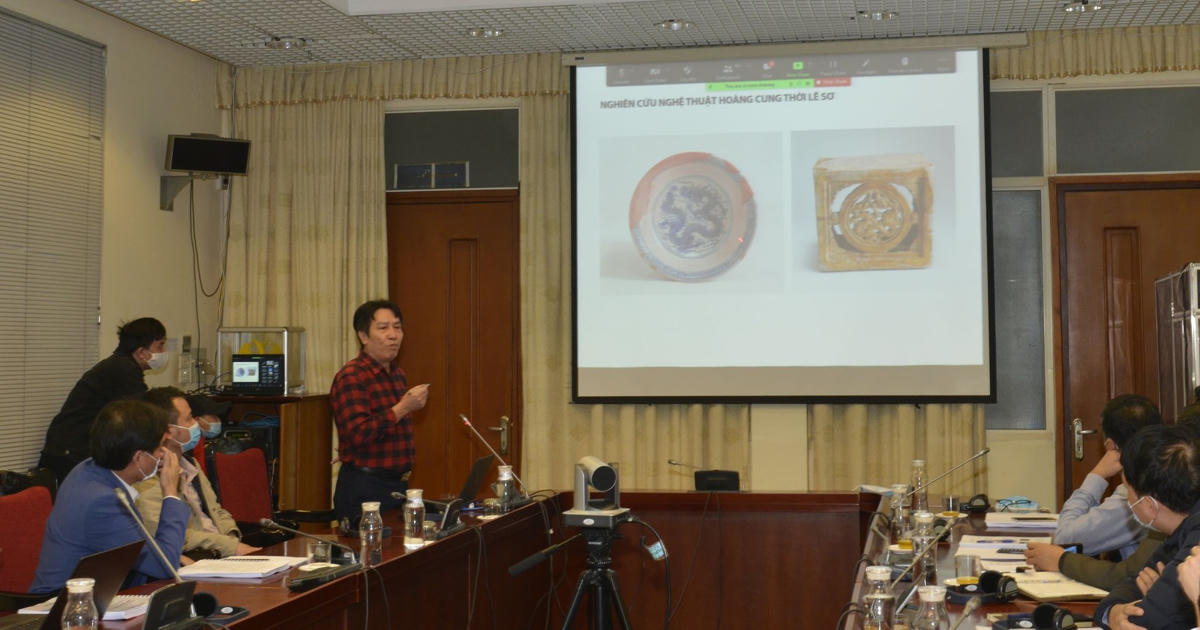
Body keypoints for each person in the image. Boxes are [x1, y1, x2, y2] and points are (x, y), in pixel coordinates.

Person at [31, 399, 188, 593]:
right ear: (139, 457)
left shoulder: (88, 468)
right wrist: (170, 492)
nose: (165, 453)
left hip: (103, 592)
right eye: (160, 446)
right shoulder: (103, 502)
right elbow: (164, 565)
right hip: (66, 603)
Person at [1093, 423, 1200, 630]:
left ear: (1149, 504)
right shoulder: (1183, 529)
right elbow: (1133, 582)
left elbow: (1143, 622)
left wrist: (1163, 603)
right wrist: (1112, 612)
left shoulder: (1196, 536)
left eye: (1128, 490)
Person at [330, 299, 430, 521]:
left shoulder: (397, 374)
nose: (393, 335)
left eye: (397, 327)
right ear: (363, 336)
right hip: (365, 487)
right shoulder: (352, 376)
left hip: (397, 484)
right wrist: (403, 408)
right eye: (383, 328)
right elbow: (358, 432)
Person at [39, 317, 168, 483]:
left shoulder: (120, 365)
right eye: (160, 345)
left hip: (69, 449)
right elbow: (146, 415)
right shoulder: (123, 370)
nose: (164, 351)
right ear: (142, 352)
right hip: (71, 453)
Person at [136, 387, 259, 561]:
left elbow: (216, 511)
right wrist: (230, 547)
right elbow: (170, 536)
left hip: (224, 554)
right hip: (199, 558)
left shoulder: (191, 464)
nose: (196, 423)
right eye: (188, 419)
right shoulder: (147, 478)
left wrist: (232, 539)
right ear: (169, 431)